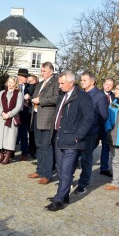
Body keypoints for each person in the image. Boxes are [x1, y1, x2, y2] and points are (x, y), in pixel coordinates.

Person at [45, 70, 94, 211]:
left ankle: (59, 199)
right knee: (60, 170)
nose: (59, 86)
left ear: (71, 83)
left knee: (66, 170)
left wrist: (77, 136)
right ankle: (64, 194)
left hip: (72, 140)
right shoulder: (63, 95)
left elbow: (89, 119)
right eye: (59, 83)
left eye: (62, 83)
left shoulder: (83, 97)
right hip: (59, 137)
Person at [74, 71, 108, 195]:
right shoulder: (80, 94)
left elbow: (104, 116)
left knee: (86, 159)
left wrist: (96, 132)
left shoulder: (100, 96)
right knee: (72, 156)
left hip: (90, 133)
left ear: (92, 82)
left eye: (85, 80)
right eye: (81, 80)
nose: (82, 82)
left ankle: (83, 184)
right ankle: (68, 180)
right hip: (77, 131)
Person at [28, 62, 59, 184]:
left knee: (47, 146)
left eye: (44, 71)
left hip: (47, 119)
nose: (42, 73)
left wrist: (40, 100)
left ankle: (47, 174)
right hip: (36, 116)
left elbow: (56, 98)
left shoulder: (56, 82)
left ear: (51, 71)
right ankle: (39, 170)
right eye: (41, 71)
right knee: (39, 145)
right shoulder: (40, 83)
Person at [0, 76, 23, 165]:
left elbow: (18, 107)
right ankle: (1, 154)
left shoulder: (19, 94)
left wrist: (8, 114)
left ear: (15, 84)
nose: (10, 84)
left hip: (12, 118)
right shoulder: (2, 92)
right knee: (0, 137)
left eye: (12, 82)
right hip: (1, 118)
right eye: (9, 82)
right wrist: (2, 113)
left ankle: (8, 155)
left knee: (10, 138)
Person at [97, 77, 116, 177]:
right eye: (107, 84)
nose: (108, 86)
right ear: (103, 84)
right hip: (97, 125)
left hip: (107, 127)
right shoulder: (97, 94)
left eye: (110, 85)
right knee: (91, 146)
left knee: (106, 147)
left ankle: (104, 168)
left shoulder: (114, 97)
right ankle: (80, 161)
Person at [104, 83, 119, 190]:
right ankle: (116, 182)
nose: (115, 91)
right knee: (115, 160)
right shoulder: (114, 102)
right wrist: (108, 128)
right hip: (114, 136)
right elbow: (108, 116)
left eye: (117, 89)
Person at [16, 68, 30, 161]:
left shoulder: (29, 87)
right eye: (25, 77)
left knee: (24, 134)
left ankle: (24, 153)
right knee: (13, 134)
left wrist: (28, 99)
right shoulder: (14, 85)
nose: (26, 79)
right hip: (14, 114)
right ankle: (10, 152)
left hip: (25, 114)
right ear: (20, 77)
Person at [26, 74, 38, 159]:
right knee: (31, 131)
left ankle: (32, 149)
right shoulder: (27, 87)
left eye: (31, 81)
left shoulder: (35, 87)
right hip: (29, 112)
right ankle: (31, 149)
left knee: (32, 132)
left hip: (33, 111)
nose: (29, 83)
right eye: (28, 81)